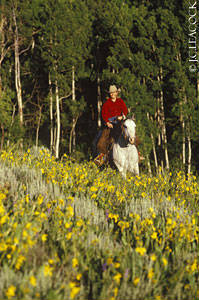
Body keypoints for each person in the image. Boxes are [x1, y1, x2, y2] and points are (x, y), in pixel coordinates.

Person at [94, 85, 128, 166]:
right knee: (101, 141)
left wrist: (122, 116)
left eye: (113, 92)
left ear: (116, 93)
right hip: (110, 125)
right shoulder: (106, 103)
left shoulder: (120, 101)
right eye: (111, 93)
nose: (112, 94)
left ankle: (137, 153)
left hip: (120, 124)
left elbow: (125, 111)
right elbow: (103, 115)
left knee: (131, 134)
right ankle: (102, 157)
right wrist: (107, 123)